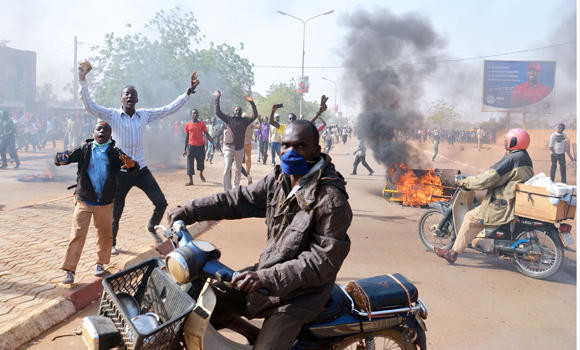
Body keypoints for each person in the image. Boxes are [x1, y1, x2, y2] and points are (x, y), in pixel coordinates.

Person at [167, 119, 352, 350]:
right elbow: (237, 200)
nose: (290, 152)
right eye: (286, 145)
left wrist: (265, 278)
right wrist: (190, 210)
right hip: (265, 276)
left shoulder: (331, 199)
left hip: (299, 297)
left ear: (316, 150)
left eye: (300, 146)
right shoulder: (278, 180)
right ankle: (252, 333)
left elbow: (321, 262)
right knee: (208, 301)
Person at [78, 60, 199, 254]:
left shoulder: (144, 115)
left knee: (161, 203)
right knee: (116, 213)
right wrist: (82, 80)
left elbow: (168, 109)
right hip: (120, 173)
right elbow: (90, 106)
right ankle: (113, 243)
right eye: (126, 94)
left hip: (140, 169)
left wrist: (188, 92)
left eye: (133, 94)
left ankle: (151, 226)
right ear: (121, 99)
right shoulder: (112, 116)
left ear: (137, 99)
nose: (129, 97)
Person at [434, 128, 534, 263]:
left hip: (502, 203)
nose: (505, 143)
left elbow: (488, 179)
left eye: (507, 140)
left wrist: (466, 182)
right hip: (513, 199)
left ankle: (453, 253)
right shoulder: (524, 157)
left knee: (470, 217)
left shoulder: (512, 159)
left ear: (514, 141)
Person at [56, 121, 138, 284]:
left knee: (105, 235)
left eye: (106, 129)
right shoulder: (84, 149)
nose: (102, 131)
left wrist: (132, 165)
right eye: (99, 129)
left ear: (110, 134)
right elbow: (64, 158)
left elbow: (131, 167)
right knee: (77, 235)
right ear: (93, 132)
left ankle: (100, 263)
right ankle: (70, 270)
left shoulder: (115, 153)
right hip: (84, 200)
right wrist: (60, 158)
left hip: (105, 203)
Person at [214, 90, 258, 190]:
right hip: (229, 148)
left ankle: (235, 187)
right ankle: (227, 190)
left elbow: (255, 115)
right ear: (234, 112)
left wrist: (252, 102)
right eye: (236, 110)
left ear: (241, 113)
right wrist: (217, 98)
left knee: (238, 170)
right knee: (227, 168)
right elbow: (217, 112)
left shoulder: (245, 121)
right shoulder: (229, 119)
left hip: (240, 149)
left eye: (239, 111)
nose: (238, 112)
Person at [183, 109, 214, 186]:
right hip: (191, 146)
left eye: (196, 113)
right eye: (194, 113)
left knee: (201, 163)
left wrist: (212, 142)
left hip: (200, 146)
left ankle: (201, 174)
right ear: (191, 114)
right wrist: (185, 149)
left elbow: (206, 134)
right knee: (190, 164)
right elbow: (187, 137)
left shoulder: (202, 124)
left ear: (198, 115)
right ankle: (191, 181)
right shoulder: (188, 125)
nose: (195, 115)